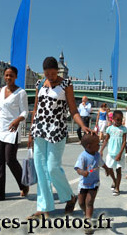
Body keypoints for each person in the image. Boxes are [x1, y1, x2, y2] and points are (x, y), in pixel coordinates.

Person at [28, 57, 93, 219]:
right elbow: (36, 109)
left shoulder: (66, 85)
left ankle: (69, 197)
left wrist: (82, 126)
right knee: (41, 170)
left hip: (57, 129)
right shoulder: (39, 84)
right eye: (46, 73)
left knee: (52, 167)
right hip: (39, 129)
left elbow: (73, 110)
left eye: (52, 72)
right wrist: (30, 130)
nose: (50, 76)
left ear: (57, 70)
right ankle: (44, 208)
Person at [0, 66, 29, 202]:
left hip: (12, 130)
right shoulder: (0, 91)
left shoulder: (21, 93)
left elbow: (25, 112)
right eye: (6, 75)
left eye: (11, 75)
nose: (8, 78)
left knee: (10, 160)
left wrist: (17, 120)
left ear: (16, 77)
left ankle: (23, 184)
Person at [74, 134, 112, 233]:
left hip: (94, 183)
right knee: (81, 202)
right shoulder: (83, 156)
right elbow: (77, 168)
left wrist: (107, 168)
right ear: (89, 146)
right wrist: (82, 172)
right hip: (84, 184)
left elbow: (101, 163)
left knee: (89, 202)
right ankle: (86, 212)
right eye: (97, 144)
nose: (99, 146)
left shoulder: (97, 155)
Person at [100, 110, 127, 196]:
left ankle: (117, 188)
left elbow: (124, 142)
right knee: (109, 168)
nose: (119, 121)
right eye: (117, 119)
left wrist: (120, 153)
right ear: (113, 119)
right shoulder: (109, 129)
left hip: (119, 154)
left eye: (121, 119)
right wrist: (101, 150)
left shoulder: (124, 129)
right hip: (111, 153)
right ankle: (114, 181)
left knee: (118, 170)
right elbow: (106, 140)